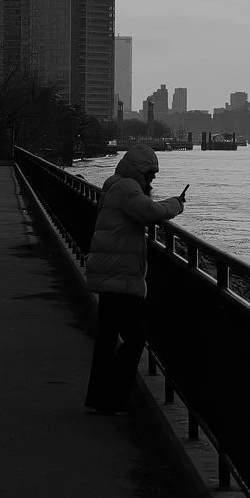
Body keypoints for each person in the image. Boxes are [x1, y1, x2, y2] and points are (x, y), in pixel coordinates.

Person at [83, 138, 187, 413]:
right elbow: (150, 212)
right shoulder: (128, 188)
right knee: (136, 337)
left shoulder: (112, 183)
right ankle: (114, 398)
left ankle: (99, 397)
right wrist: (177, 204)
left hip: (108, 270)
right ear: (139, 171)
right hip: (120, 275)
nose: (152, 179)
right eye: (150, 174)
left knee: (107, 338)